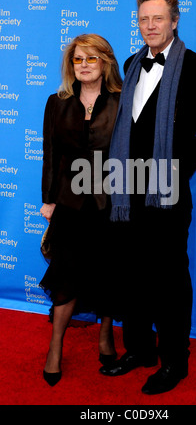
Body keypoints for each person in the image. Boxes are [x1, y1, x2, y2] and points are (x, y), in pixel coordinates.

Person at [99, 0, 196, 395]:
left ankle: (174, 360)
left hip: (166, 194)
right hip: (125, 192)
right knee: (132, 273)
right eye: (143, 20)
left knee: (169, 278)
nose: (149, 26)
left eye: (157, 19)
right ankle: (139, 349)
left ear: (174, 21)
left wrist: (173, 170)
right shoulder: (132, 65)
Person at [40, 33, 122, 386]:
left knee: (107, 272)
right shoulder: (56, 103)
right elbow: (51, 156)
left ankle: (105, 337)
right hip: (71, 204)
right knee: (65, 275)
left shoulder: (123, 102)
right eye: (78, 59)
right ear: (71, 65)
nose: (84, 65)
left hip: (111, 202)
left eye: (91, 58)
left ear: (104, 62)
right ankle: (55, 347)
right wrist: (48, 199)